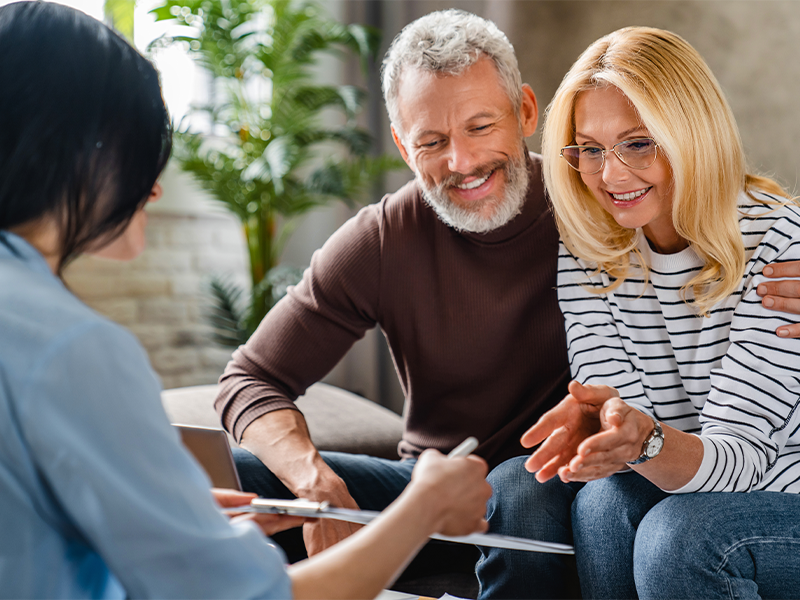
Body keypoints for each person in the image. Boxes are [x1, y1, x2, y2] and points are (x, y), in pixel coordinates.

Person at [0, 3, 492, 598]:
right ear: (81, 153)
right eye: (144, 151)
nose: (154, 186)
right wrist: (422, 508)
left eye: (481, 127)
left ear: (524, 112)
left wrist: (168, 513)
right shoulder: (72, 348)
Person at [216, 8, 578, 599]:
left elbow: (715, 213)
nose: (460, 162)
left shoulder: (598, 207)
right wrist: (314, 483)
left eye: (481, 127)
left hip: (549, 494)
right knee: (231, 480)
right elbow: (250, 379)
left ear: (527, 112)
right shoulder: (384, 237)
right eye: (432, 141)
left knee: (522, 485)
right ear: (405, 149)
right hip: (424, 496)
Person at [522, 26, 800, 599]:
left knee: (681, 538)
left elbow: (742, 460)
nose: (611, 176)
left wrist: (642, 440)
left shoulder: (779, 243)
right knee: (602, 503)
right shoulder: (590, 247)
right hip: (693, 478)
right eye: (591, 149)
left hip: (783, 499)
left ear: (692, 134)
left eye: (639, 143)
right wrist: (617, 434)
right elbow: (627, 422)